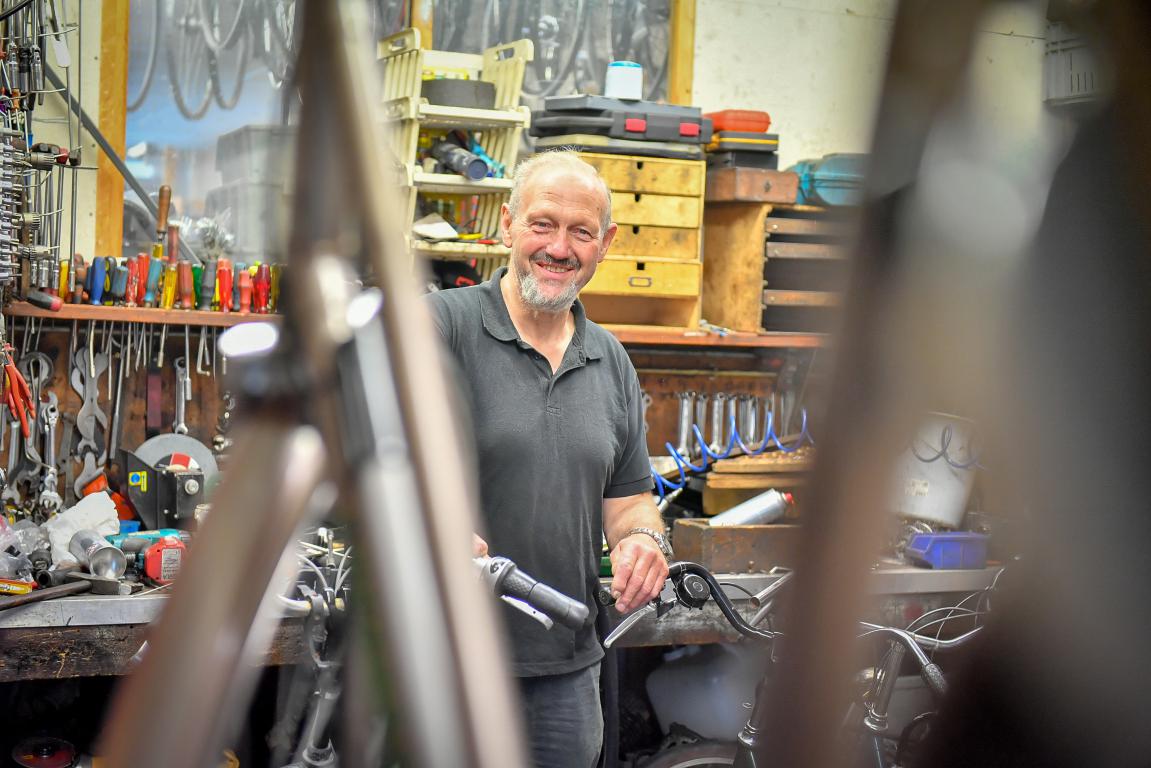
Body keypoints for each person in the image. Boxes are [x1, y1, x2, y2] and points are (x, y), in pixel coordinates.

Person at [426, 150, 670, 768]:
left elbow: (631, 498)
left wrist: (644, 540)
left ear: (605, 243)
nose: (559, 248)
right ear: (508, 225)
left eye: (581, 232)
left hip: (566, 668)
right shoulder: (441, 328)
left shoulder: (610, 359)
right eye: (543, 224)